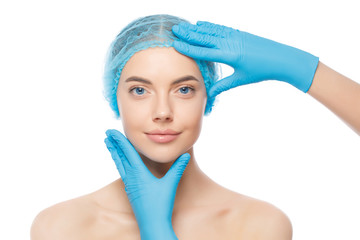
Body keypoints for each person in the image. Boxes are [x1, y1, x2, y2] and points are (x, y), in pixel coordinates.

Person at [30, 14, 360, 240]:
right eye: (140, 90)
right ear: (115, 98)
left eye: (184, 89)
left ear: (209, 96)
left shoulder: (257, 225)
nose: (162, 112)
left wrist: (158, 230)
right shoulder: (61, 227)